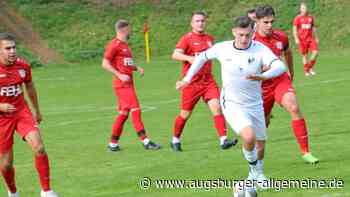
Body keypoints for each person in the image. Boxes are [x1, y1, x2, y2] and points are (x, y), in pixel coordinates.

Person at [176, 16, 286, 189]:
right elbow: (201, 58)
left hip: (255, 103)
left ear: (252, 32)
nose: (244, 39)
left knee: (260, 144)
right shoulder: (222, 48)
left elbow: (280, 66)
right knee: (249, 136)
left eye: (248, 35)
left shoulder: (259, 49)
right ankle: (255, 172)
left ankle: (256, 175)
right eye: (241, 35)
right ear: (234, 32)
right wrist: (187, 79)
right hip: (232, 103)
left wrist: (264, 76)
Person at [253, 5, 319, 164]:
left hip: (280, 80)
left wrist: (291, 72)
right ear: (257, 21)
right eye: (266, 22)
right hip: (261, 87)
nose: (269, 25)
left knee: (293, 107)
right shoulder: (251, 41)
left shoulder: (281, 37)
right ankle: (255, 160)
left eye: (271, 22)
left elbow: (288, 53)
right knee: (262, 124)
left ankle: (306, 152)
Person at [0, 33, 58, 197]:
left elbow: (30, 86)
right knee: (5, 165)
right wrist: (1, 106)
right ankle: (13, 192)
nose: (12, 51)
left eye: (14, 47)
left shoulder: (23, 66)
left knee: (39, 148)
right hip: (1, 119)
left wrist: (36, 110)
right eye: (7, 48)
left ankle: (47, 191)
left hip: (21, 112)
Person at [171, 11, 237, 151]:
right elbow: (175, 54)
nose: (200, 23)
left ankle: (223, 140)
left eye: (202, 21)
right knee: (185, 114)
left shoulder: (209, 39)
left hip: (208, 81)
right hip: (192, 83)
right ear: (192, 23)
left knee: (217, 107)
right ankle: (175, 139)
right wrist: (189, 58)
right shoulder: (187, 38)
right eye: (197, 21)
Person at [102, 20, 161, 151]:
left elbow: (125, 63)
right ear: (123, 29)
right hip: (122, 85)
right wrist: (119, 75)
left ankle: (113, 144)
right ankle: (146, 142)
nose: (131, 31)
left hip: (128, 83)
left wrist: (136, 68)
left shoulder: (124, 45)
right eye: (129, 29)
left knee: (123, 113)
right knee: (136, 109)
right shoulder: (114, 45)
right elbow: (105, 63)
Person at [293, 2, 319, 76]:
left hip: (310, 39)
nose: (304, 10)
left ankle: (309, 68)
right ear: (300, 9)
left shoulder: (310, 17)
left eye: (305, 8)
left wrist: (316, 37)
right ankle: (306, 71)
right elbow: (294, 29)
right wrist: (296, 38)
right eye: (303, 8)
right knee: (304, 55)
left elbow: (313, 28)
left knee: (315, 52)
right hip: (302, 40)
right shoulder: (297, 18)